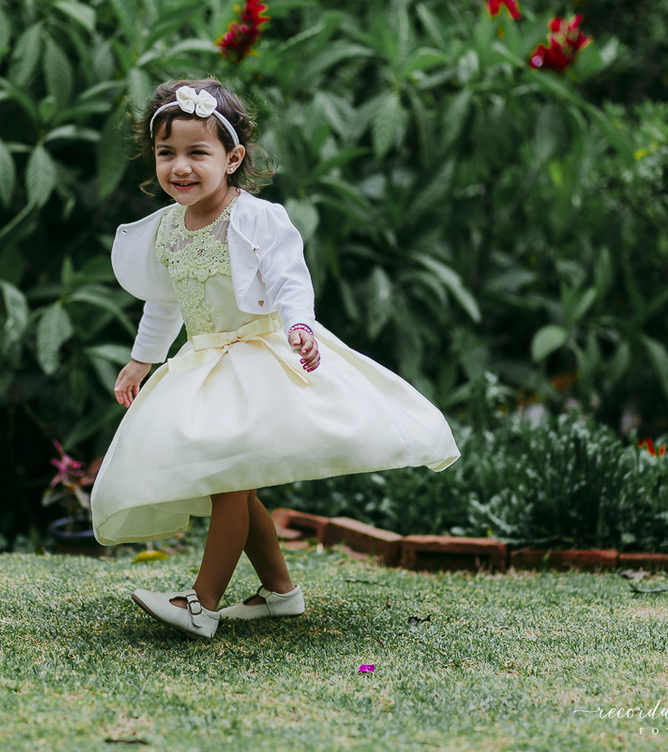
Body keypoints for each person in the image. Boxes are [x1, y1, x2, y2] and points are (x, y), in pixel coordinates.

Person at [90, 79, 460, 639]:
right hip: (205, 364)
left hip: (258, 357)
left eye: (197, 153)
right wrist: (142, 361)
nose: (180, 167)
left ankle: (203, 602)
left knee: (230, 482)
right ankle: (280, 593)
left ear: (232, 158)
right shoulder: (169, 229)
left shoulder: (257, 218)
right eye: (167, 153)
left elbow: (290, 282)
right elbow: (165, 303)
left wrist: (300, 329)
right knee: (233, 482)